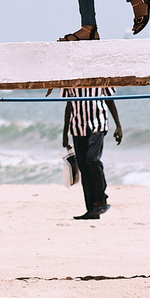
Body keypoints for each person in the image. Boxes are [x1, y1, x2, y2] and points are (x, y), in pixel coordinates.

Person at [54, 83, 122, 220]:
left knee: (92, 159)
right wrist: (65, 133)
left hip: (98, 124)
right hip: (77, 126)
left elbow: (109, 98)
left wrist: (118, 125)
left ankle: (101, 198)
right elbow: (69, 105)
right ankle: (92, 209)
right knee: (84, 167)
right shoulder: (69, 80)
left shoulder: (100, 76)